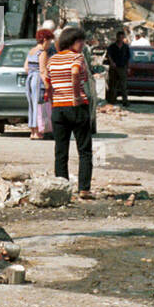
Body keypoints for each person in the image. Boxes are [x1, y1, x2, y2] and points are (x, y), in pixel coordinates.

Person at [46, 25, 93, 199]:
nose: (82, 44)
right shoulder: (78, 58)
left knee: (61, 149)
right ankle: (84, 189)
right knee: (84, 149)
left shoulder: (53, 60)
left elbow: (47, 82)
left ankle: (62, 188)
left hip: (58, 108)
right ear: (71, 42)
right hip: (77, 106)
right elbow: (75, 73)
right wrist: (76, 96)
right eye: (79, 41)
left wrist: (53, 101)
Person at [25, 27, 55, 139]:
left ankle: (32, 131)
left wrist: (32, 73)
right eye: (50, 41)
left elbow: (26, 67)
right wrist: (47, 86)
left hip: (30, 79)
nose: (50, 44)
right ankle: (37, 131)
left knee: (31, 105)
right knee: (38, 104)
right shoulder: (42, 53)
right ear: (45, 40)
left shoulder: (31, 51)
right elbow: (43, 70)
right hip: (37, 79)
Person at [105, 30, 131, 107]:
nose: (120, 38)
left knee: (123, 85)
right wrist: (112, 62)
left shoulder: (126, 47)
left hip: (122, 67)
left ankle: (125, 101)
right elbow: (109, 55)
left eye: (122, 37)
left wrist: (128, 67)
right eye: (119, 37)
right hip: (114, 67)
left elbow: (128, 57)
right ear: (117, 37)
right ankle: (112, 100)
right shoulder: (112, 46)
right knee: (113, 84)